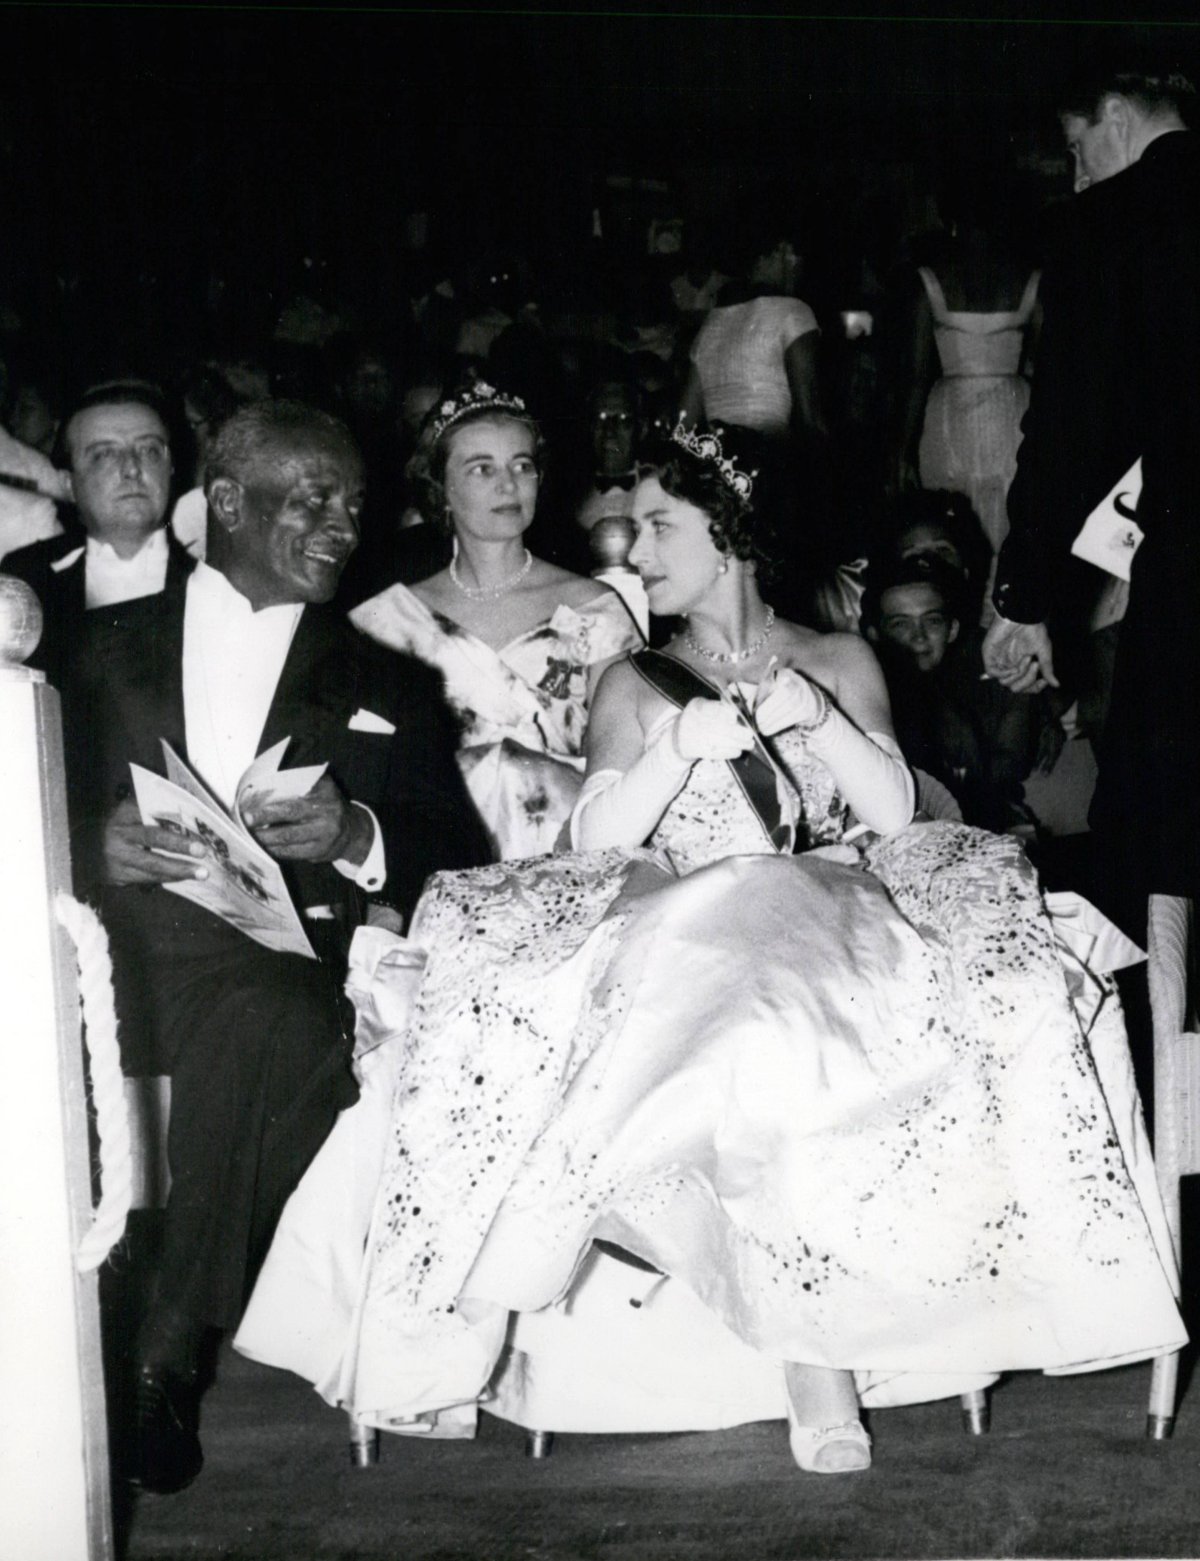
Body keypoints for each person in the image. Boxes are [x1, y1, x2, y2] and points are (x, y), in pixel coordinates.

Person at [245, 420, 1182, 1475]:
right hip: (687, 916)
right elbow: (595, 836)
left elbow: (890, 814)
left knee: (811, 1000)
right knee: (743, 1011)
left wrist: (821, 721)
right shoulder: (636, 678)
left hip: (837, 910)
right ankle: (810, 1355)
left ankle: (817, 1337)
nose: (634, 552)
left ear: (727, 533)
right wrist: (671, 754)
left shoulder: (837, 653)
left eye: (658, 525)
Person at [66, 399, 486, 1493]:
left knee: (283, 1021)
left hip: (278, 979)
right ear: (231, 505)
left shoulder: (387, 681)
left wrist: (359, 835)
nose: (344, 524)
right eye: (315, 498)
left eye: (353, 502)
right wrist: (87, 845)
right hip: (103, 963)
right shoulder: (91, 648)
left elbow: (456, 856)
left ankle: (163, 1345)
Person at [981, 63, 1199, 942]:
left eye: (1078, 149)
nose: (1077, 175)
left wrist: (1024, 599)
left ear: (1115, 111)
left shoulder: (1106, 224)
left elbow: (1073, 426)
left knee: (1155, 832)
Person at [348, 381, 642, 859]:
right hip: (442, 856)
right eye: (482, 468)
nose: (508, 484)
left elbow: (628, 764)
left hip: (573, 853)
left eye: (521, 465)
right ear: (440, 488)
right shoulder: (388, 622)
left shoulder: (595, 606)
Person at [891, 172, 1041, 568]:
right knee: (1012, 512)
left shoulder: (930, 279)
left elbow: (917, 374)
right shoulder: (1030, 278)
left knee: (953, 518)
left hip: (951, 411)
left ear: (951, 219)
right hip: (1012, 409)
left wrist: (902, 450)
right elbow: (1047, 368)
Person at [4, 380, 193, 686]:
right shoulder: (25, 581)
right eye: (104, 454)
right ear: (68, 483)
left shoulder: (217, 584)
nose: (131, 468)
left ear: (171, 467)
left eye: (149, 450)